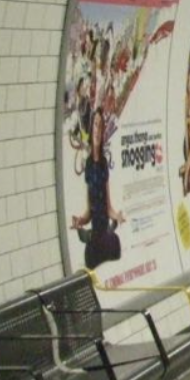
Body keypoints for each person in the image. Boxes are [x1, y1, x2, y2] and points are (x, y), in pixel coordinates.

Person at [71, 108, 125, 269]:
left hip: (105, 234)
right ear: (91, 128)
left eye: (100, 126)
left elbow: (108, 207)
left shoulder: (103, 164)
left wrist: (117, 216)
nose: (97, 129)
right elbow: (90, 211)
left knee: (115, 249)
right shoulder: (88, 165)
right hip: (95, 236)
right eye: (95, 124)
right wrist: (80, 221)